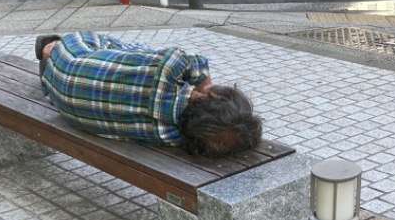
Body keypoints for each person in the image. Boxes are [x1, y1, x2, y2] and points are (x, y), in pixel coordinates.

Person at [35, 32, 262, 158]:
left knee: (136, 50)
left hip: (72, 55)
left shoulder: (166, 72)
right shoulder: (166, 135)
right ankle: (49, 66)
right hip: (60, 98)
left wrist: (202, 83)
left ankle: (50, 48)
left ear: (213, 96)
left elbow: (188, 58)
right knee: (135, 62)